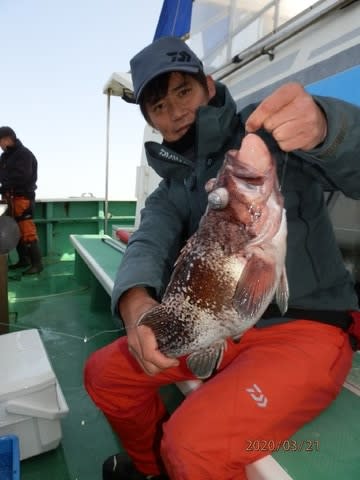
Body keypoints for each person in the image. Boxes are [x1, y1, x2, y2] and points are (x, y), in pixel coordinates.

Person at [84, 36, 360, 480]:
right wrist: (134, 300)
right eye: (158, 106)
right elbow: (148, 241)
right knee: (104, 374)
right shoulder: (171, 188)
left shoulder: (266, 141)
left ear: (209, 87)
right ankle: (154, 470)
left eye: (183, 91)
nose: (174, 111)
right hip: (218, 325)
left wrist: (330, 129)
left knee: (192, 446)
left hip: (304, 328)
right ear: (152, 119)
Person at [0, 126, 43, 275]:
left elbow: (22, 177)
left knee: (27, 231)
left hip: (22, 198)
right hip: (8, 199)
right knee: (14, 230)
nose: (0, 146)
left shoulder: (24, 154)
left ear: (7, 139)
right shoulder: (5, 157)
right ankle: (23, 260)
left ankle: (37, 264)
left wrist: (4, 186)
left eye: (0, 142)